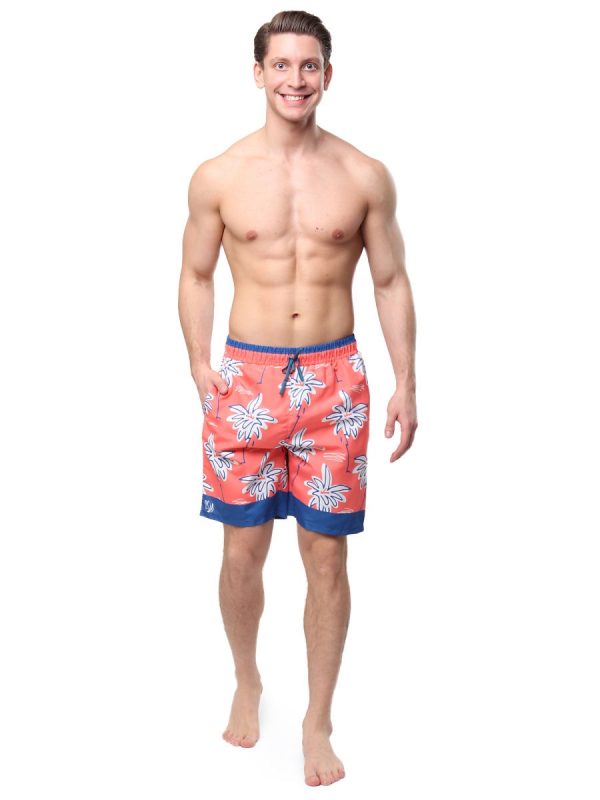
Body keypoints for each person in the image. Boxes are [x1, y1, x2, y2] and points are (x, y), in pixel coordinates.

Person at [178, 9, 417, 788]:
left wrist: (407, 380)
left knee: (327, 557)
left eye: (308, 65)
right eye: (281, 65)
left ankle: (318, 719)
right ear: (258, 74)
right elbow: (196, 274)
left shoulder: (364, 175)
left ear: (328, 75)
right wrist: (199, 363)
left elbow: (389, 280)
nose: (295, 79)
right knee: (240, 552)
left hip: (333, 381)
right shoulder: (218, 175)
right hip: (245, 378)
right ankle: (247, 677)